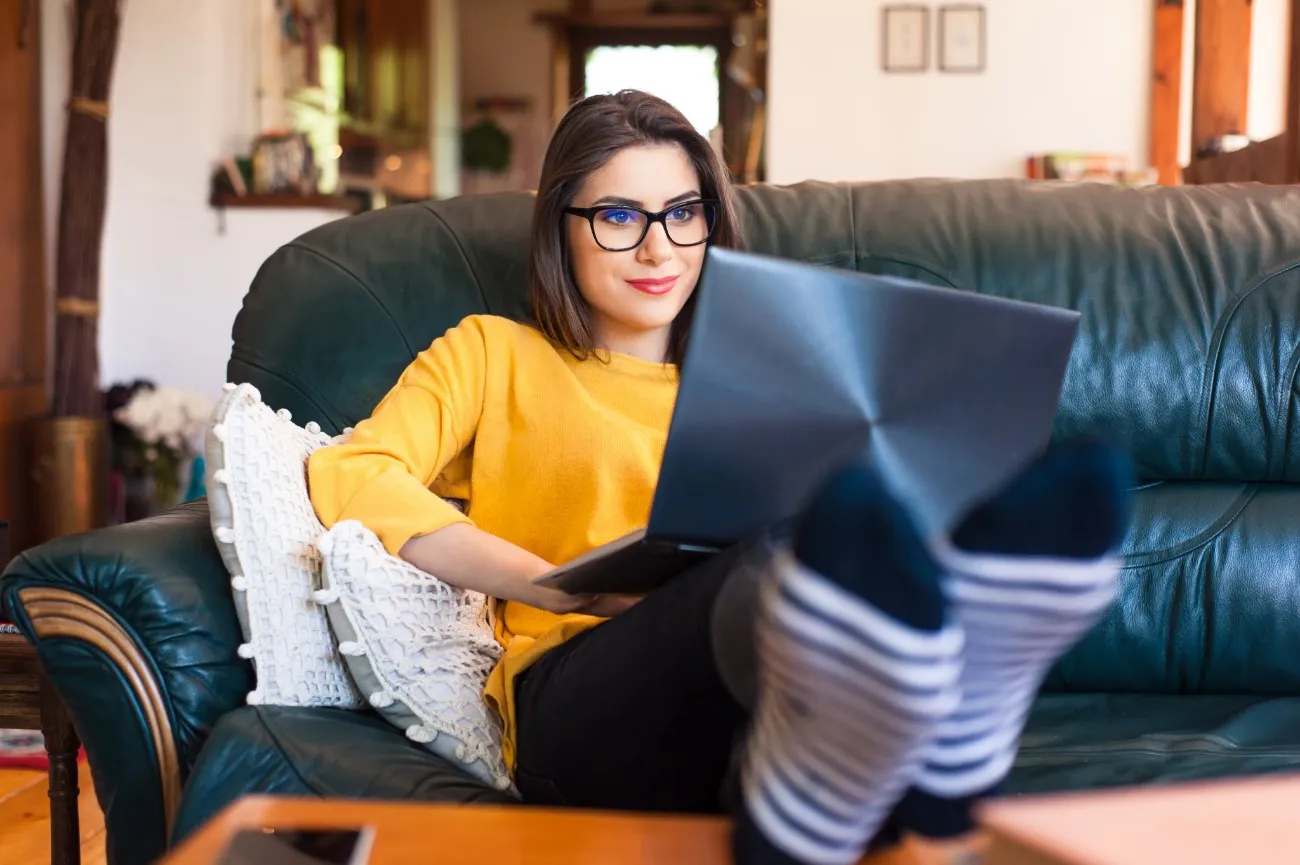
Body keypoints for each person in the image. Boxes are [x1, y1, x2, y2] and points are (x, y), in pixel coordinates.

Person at [307, 89, 1133, 865]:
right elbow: (354, 473)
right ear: (560, 226)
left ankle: (844, 773)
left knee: (840, 559)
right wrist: (558, 586)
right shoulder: (492, 354)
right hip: (579, 698)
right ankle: (945, 724)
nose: (659, 246)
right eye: (620, 216)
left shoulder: (770, 380)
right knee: (790, 558)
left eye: (682, 213)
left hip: (778, 694)